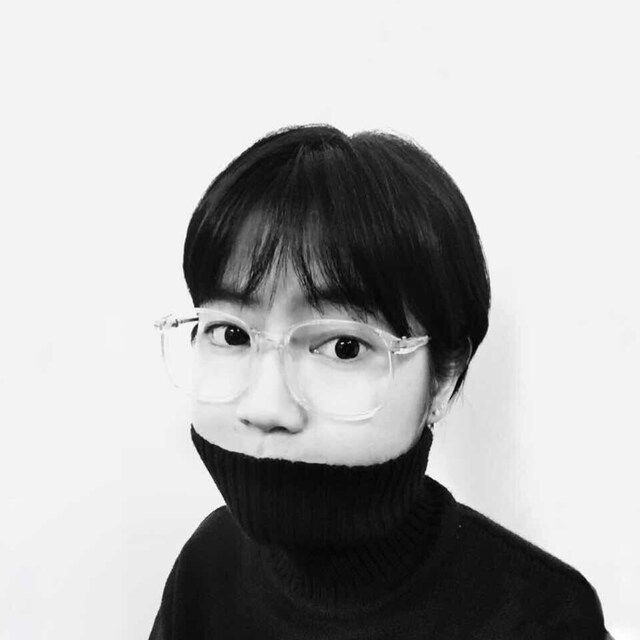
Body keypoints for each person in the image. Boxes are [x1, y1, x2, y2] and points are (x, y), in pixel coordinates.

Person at [148, 125, 611, 639]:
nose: (265, 406)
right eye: (232, 334)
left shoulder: (542, 618)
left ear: (444, 378)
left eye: (343, 346)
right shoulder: (208, 566)